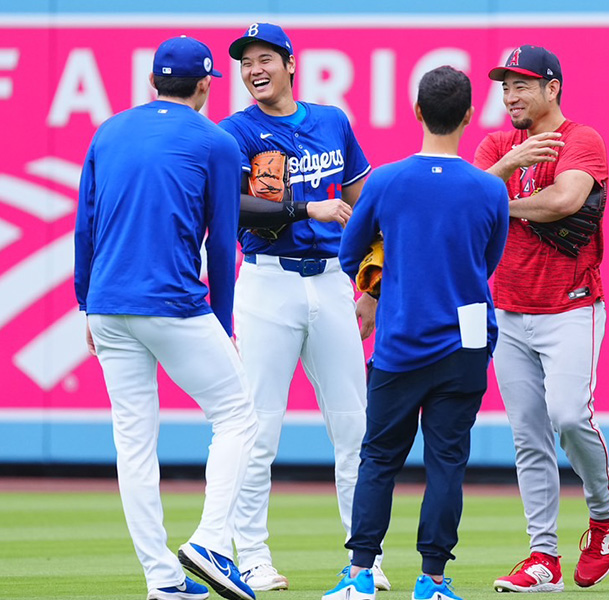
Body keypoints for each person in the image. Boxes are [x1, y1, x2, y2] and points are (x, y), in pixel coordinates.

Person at [74, 36, 258, 600]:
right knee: (236, 414)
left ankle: (162, 579)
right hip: (171, 302)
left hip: (108, 303)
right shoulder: (215, 141)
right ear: (204, 84)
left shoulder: (108, 131)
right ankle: (208, 541)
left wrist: (86, 302)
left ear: (153, 82)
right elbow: (222, 242)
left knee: (133, 442)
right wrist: (224, 321)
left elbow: (85, 226)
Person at [322, 65, 509, 600]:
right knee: (447, 462)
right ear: (470, 116)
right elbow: (487, 260)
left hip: (400, 342)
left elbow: (349, 252)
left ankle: (360, 574)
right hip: (465, 344)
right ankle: (431, 580)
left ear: (418, 112)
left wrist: (385, 269)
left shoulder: (385, 180)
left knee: (378, 458)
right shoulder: (488, 188)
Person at [217, 23, 388, 592]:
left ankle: (364, 559)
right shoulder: (236, 132)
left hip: (333, 285)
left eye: (264, 58)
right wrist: (305, 208)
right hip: (268, 284)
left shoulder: (332, 121)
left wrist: (370, 287)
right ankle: (253, 557)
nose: (253, 69)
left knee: (355, 429)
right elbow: (241, 208)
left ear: (291, 63)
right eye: (245, 62)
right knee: (259, 428)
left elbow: (364, 204)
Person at [473, 45, 609, 592]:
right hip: (510, 308)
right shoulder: (497, 145)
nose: (511, 95)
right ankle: (544, 558)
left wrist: (501, 200)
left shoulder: (581, 139)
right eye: (505, 86)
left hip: (572, 303)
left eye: (522, 85)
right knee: (527, 437)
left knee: (567, 416)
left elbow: (564, 201)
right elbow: (466, 200)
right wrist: (501, 175)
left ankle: (605, 512)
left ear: (552, 87)